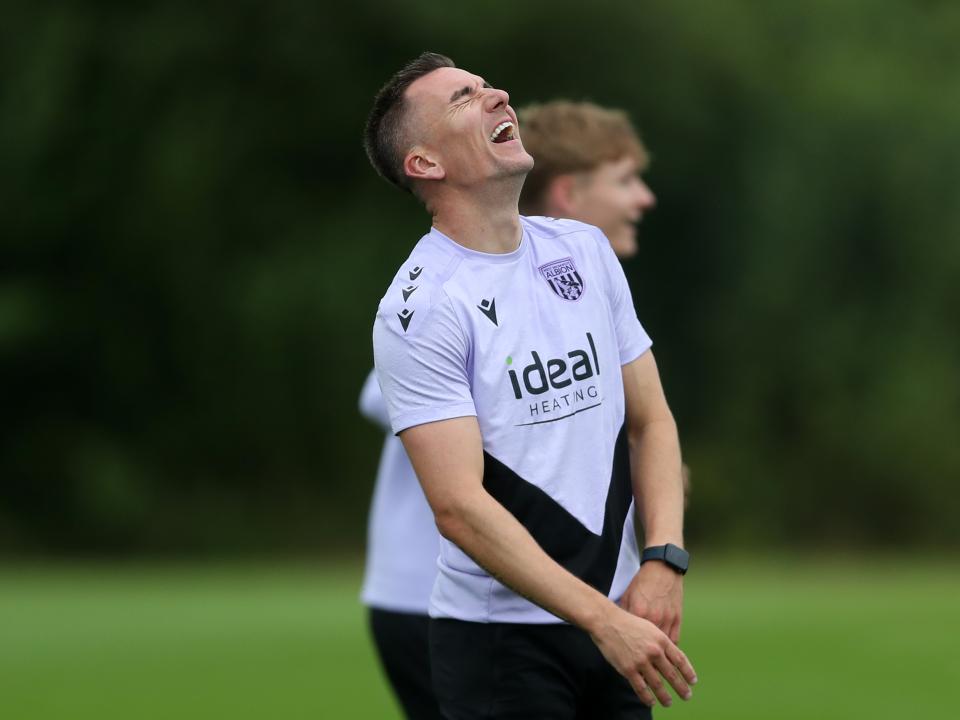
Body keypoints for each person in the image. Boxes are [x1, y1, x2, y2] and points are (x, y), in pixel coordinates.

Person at [364, 52, 696, 719]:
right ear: (425, 164)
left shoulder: (584, 250)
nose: (497, 95)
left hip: (616, 620)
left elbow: (651, 421)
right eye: (463, 97)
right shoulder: (424, 306)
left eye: (487, 86)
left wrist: (662, 560)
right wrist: (602, 619)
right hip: (501, 645)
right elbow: (457, 507)